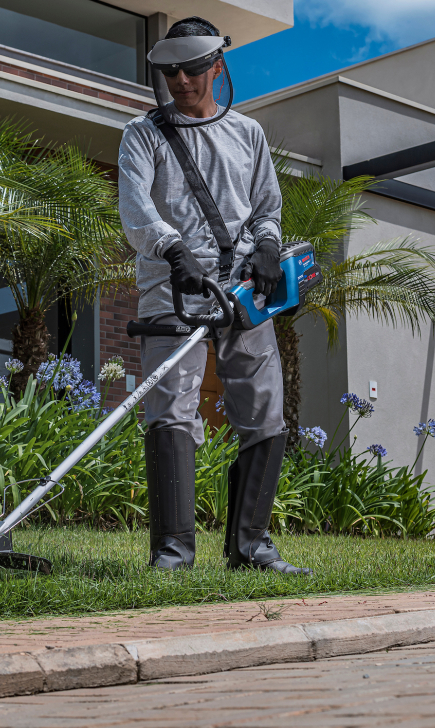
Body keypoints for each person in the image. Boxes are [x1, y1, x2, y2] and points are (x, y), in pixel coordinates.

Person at [118, 15, 311, 575]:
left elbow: (266, 208)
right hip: (172, 294)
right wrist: (172, 251)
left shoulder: (247, 133)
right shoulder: (143, 134)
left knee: (263, 412)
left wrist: (269, 247)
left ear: (217, 65)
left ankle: (250, 548)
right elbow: (137, 209)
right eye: (170, 71)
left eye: (192, 69)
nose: (180, 80)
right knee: (171, 411)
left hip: (244, 295)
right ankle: (173, 553)